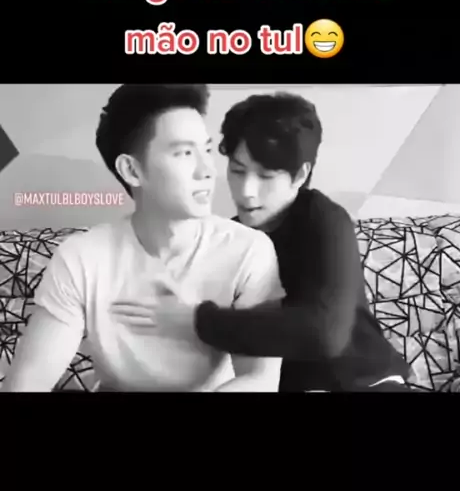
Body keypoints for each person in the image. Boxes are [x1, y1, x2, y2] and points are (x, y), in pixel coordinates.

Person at [2, 84, 283, 392]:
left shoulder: (249, 251)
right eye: (184, 153)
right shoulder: (82, 258)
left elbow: (260, 379)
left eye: (206, 150)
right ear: (132, 170)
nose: (207, 171)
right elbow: (28, 381)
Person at [151, 92, 413, 392]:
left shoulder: (324, 219)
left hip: (366, 382)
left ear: (300, 175)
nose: (247, 191)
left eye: (266, 176)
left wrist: (200, 321)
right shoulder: (229, 238)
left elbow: (324, 335)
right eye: (237, 171)